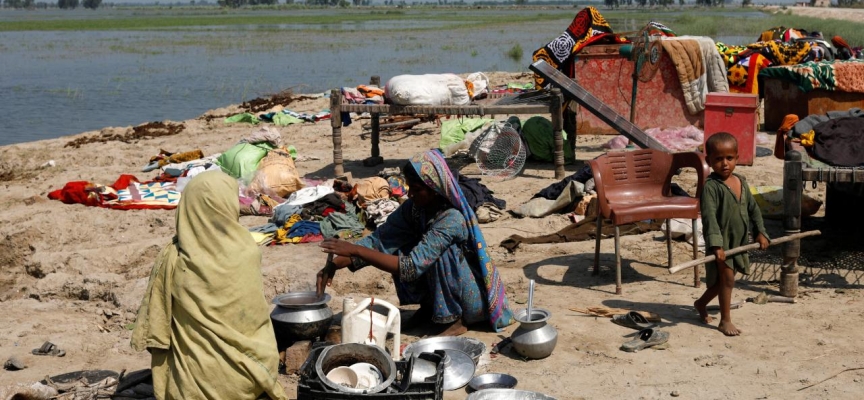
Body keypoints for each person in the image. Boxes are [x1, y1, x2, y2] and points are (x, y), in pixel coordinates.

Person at [316, 149, 513, 336]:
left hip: (471, 299)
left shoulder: (451, 218)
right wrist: (335, 264)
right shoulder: (414, 209)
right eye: (410, 188)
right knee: (397, 245)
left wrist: (356, 250)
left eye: (417, 190)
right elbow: (380, 240)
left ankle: (455, 319)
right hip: (442, 285)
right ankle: (430, 308)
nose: (410, 195)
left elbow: (412, 267)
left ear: (435, 189)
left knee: (442, 253)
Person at [131, 171, 287, 400]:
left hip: (192, 387)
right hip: (251, 377)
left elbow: (160, 320)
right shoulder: (247, 249)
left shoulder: (175, 258)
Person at [695, 132, 770, 337]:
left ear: (737, 157)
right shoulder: (711, 188)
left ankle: (701, 304)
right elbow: (709, 218)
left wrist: (760, 232)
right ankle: (725, 320)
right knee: (727, 281)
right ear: (709, 160)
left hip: (739, 241)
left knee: (722, 282)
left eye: (729, 158)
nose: (724, 164)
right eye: (718, 159)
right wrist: (716, 245)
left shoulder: (741, 182)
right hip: (723, 243)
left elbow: (753, 210)